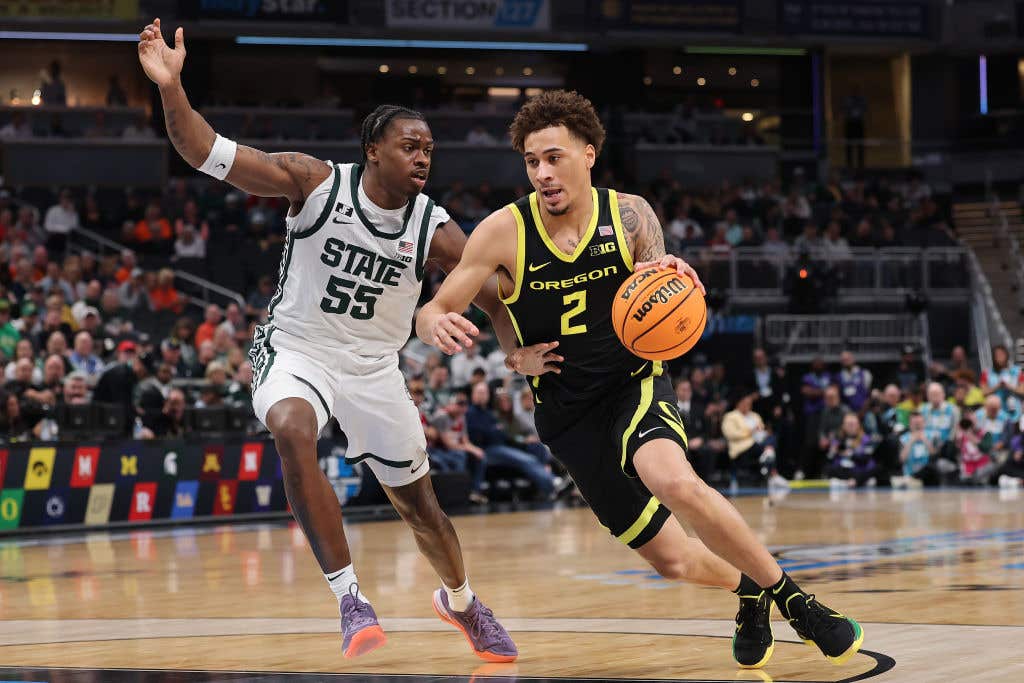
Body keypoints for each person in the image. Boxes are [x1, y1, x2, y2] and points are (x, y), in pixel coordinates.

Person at [416, 89, 862, 670]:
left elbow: (661, 278)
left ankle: (797, 603)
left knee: (671, 479)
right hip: (566, 411)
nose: (543, 173)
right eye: (531, 162)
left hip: (635, 380)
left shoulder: (629, 214)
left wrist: (677, 275)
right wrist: (439, 326)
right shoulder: (503, 232)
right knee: (672, 560)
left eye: (554, 157)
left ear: (589, 154)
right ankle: (749, 590)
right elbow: (438, 306)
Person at [138, 16, 517, 662]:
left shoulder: (433, 225)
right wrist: (172, 89)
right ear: (373, 149)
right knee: (290, 425)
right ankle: (351, 599)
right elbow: (205, 151)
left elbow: (492, 287)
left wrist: (514, 347)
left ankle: (461, 601)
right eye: (409, 145)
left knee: (422, 506)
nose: (423, 155)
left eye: (429, 147)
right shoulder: (314, 183)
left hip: (374, 367)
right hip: (297, 348)